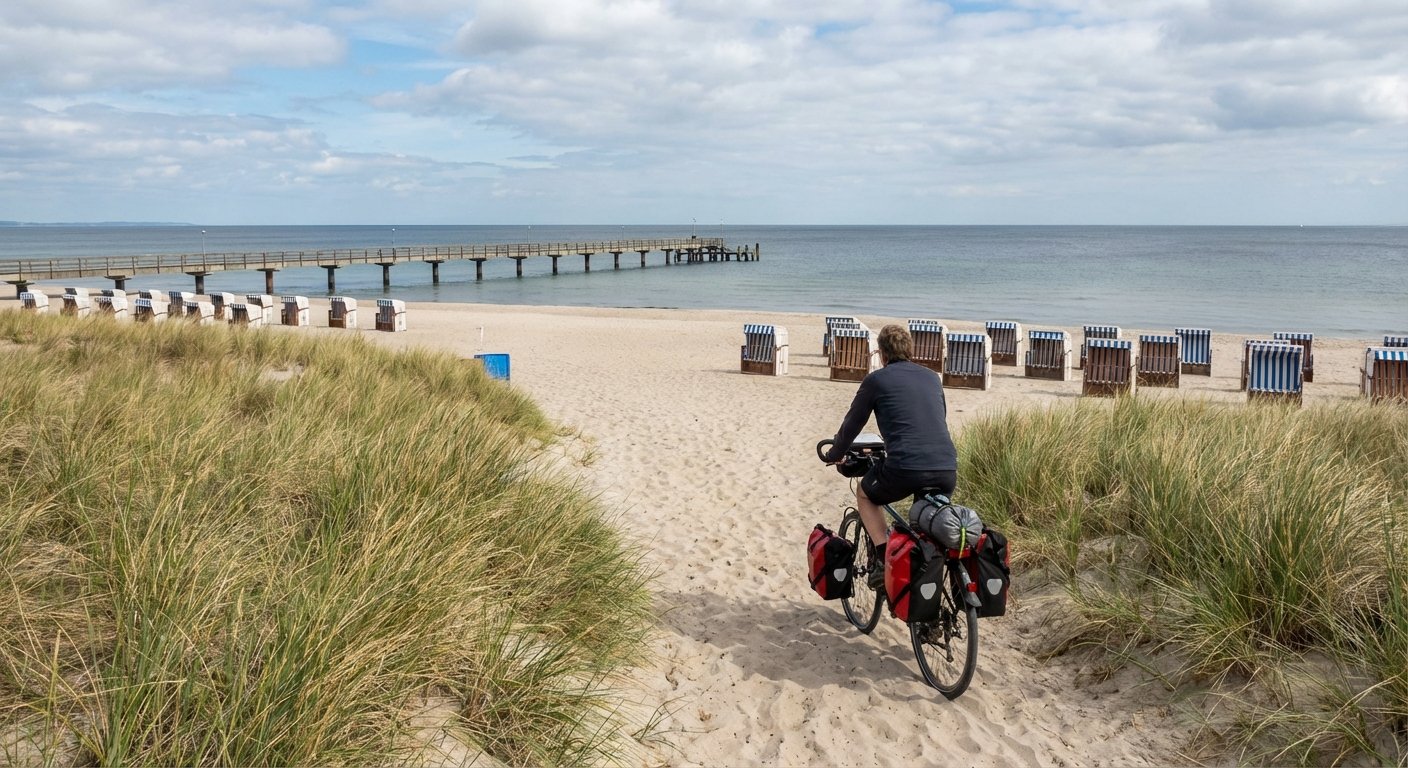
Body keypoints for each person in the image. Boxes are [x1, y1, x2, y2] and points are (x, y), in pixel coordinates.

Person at [820, 323, 958, 589]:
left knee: (865, 492)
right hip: (946, 468)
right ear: (910, 350)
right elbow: (936, 418)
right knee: (924, 527)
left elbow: (852, 424)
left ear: (881, 354)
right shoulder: (932, 378)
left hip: (905, 468)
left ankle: (884, 558)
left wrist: (834, 453)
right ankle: (927, 598)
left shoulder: (876, 380)